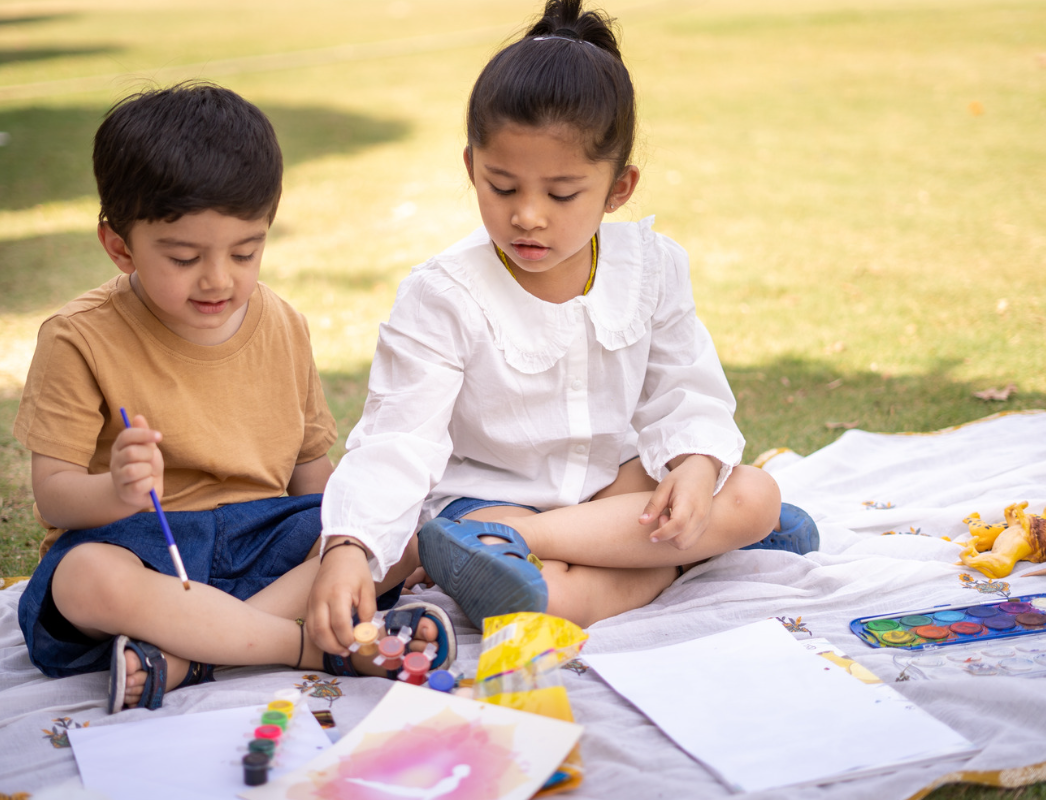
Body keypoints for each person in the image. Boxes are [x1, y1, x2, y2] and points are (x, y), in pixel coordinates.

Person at [308, 0, 819, 656]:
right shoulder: (441, 295)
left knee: (755, 492)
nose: (527, 216)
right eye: (502, 186)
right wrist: (349, 546)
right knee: (553, 587)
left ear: (618, 187)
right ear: (471, 168)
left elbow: (684, 391)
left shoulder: (652, 266)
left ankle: (567, 547)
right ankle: (677, 557)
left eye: (560, 193)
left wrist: (693, 467)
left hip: (614, 492)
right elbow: (397, 439)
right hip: (487, 506)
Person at [13, 83, 454, 712]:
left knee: (395, 528)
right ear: (119, 245)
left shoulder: (283, 323)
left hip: (264, 540)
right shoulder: (78, 338)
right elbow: (52, 492)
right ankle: (308, 645)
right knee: (84, 580)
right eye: (184, 257)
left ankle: (187, 655)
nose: (220, 279)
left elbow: (311, 476)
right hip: (144, 549)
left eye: (245, 252)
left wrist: (345, 545)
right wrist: (115, 490)